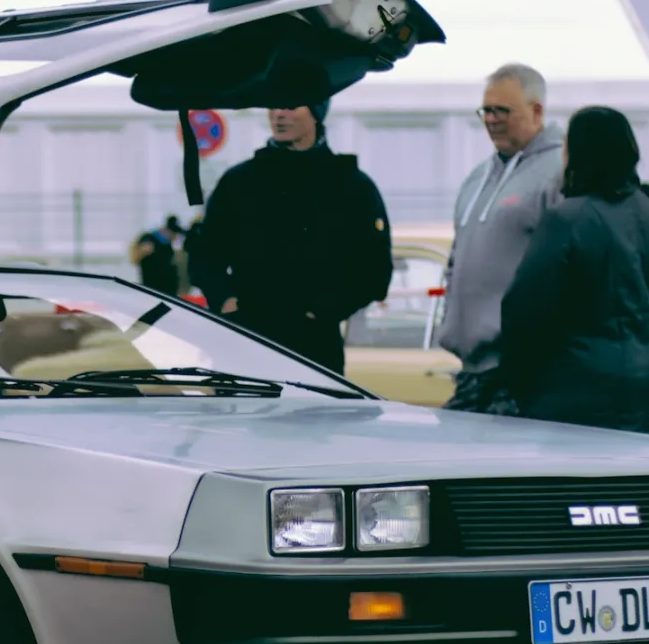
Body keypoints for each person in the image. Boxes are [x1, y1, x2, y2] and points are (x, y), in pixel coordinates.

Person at [496, 106, 649, 435]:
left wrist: (523, 383)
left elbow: (523, 311)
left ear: (579, 152)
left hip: (577, 389)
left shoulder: (565, 220)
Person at [188, 100, 392, 375]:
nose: (279, 114)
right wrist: (225, 302)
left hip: (315, 347)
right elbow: (204, 255)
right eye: (273, 106)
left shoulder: (350, 185)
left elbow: (375, 269)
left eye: (291, 106)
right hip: (245, 340)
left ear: (317, 114)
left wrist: (325, 311)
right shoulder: (240, 181)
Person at [436, 63, 565, 413]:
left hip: (522, 371)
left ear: (536, 111)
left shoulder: (559, 173)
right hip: (472, 370)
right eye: (486, 111)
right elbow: (456, 259)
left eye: (502, 111)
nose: (491, 120)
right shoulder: (478, 178)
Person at [129, 215, 185, 295]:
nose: (175, 236)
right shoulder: (149, 238)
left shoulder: (168, 244)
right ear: (165, 230)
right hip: (153, 291)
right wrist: (143, 250)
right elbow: (134, 258)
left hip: (168, 292)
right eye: (173, 233)